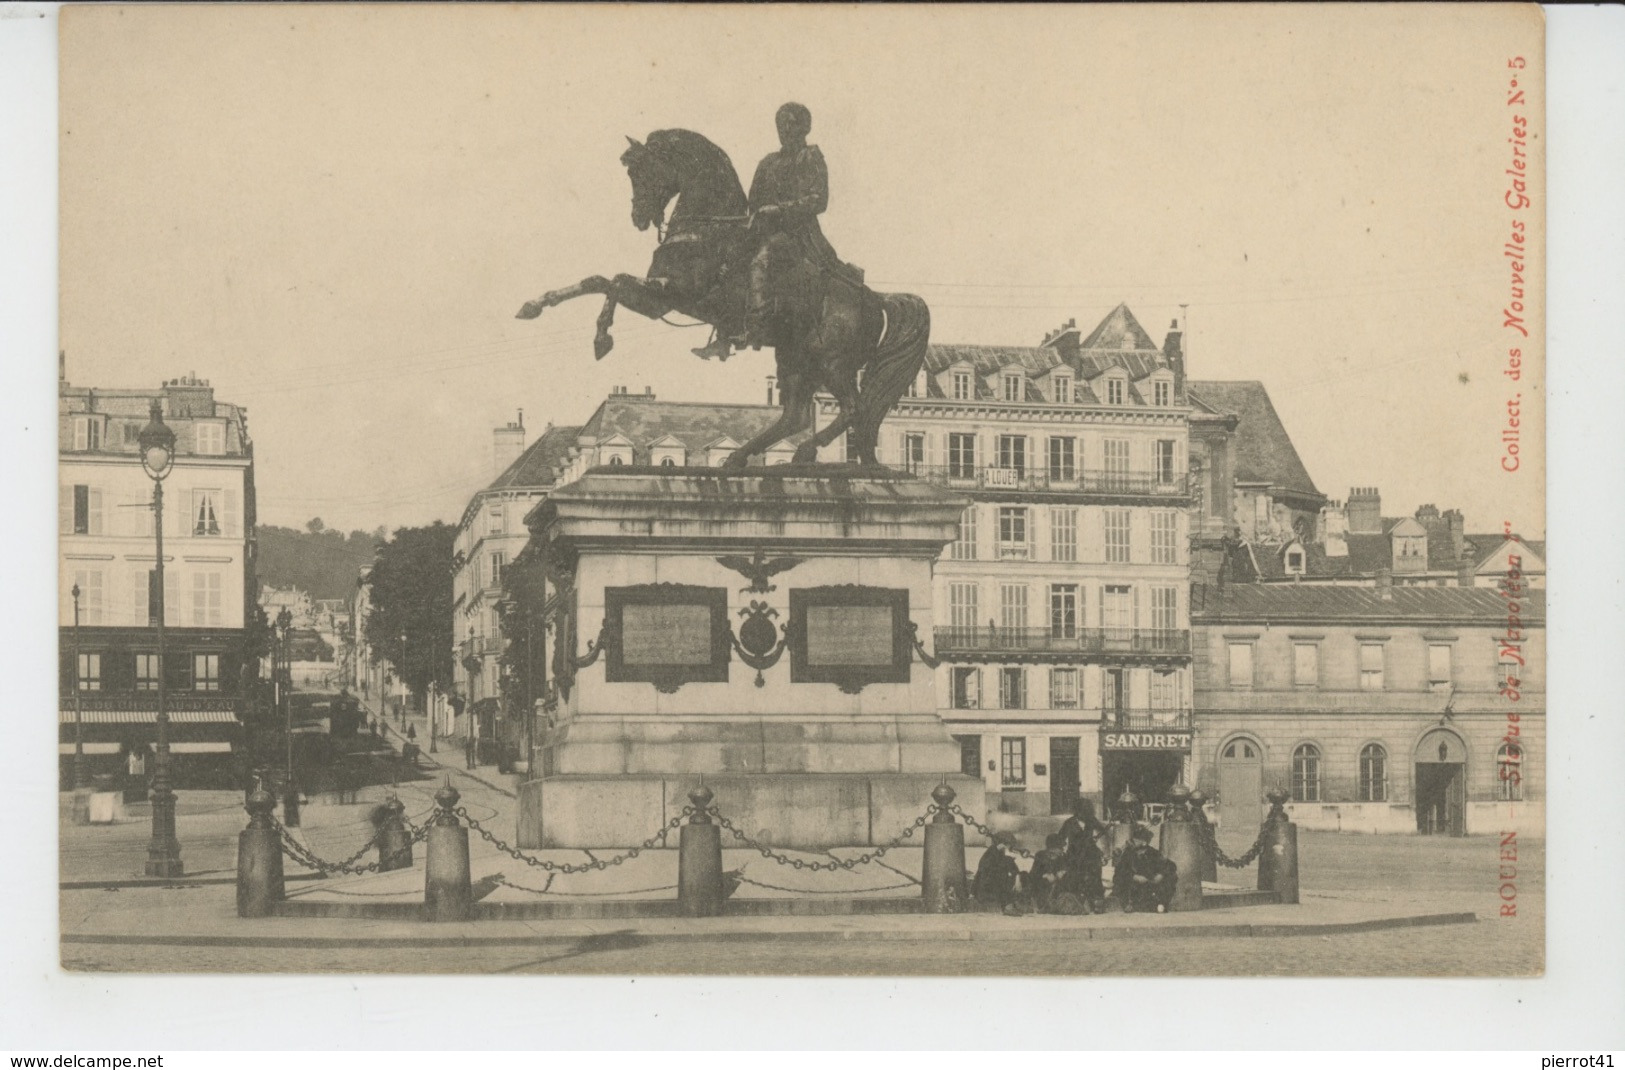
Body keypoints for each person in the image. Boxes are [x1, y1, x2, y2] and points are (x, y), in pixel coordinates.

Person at [727, 102, 855, 354]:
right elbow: (753, 200)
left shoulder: (811, 157)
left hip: (798, 234)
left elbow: (819, 200)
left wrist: (779, 210)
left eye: (790, 123)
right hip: (765, 230)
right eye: (780, 124)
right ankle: (724, 330)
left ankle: (755, 325)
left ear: (804, 127)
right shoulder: (767, 162)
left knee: (761, 261)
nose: (784, 129)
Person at [1059, 797, 1110, 914]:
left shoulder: (1091, 821)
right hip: (1074, 855)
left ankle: (1096, 901)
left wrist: (1100, 845)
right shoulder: (1069, 823)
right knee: (1075, 876)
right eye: (1082, 811)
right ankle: (1077, 901)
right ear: (1077, 811)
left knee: (1094, 877)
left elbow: (1103, 833)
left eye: (1086, 812)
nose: (1084, 814)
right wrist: (1062, 850)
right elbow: (1060, 838)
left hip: (1090, 854)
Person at [1113, 824, 1179, 914]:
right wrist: (1134, 877)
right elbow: (1119, 871)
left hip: (1149, 886)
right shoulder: (1128, 853)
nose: (1132, 841)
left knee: (1172, 876)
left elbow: (1170, 865)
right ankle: (1127, 904)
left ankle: (1161, 903)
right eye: (1133, 839)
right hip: (1134, 887)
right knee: (1120, 880)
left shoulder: (1153, 853)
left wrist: (1160, 875)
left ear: (1144, 843)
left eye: (1136, 840)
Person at [971, 832, 1024, 915]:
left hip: (994, 887)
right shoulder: (990, 854)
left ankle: (1013, 904)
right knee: (1002, 876)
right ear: (1002, 845)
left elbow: (1014, 869)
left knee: (1023, 874)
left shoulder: (1003, 855)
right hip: (986, 889)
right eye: (1009, 845)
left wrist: (1018, 879)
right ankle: (1008, 907)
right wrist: (1008, 859)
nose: (1011, 848)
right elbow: (987, 870)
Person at [1027, 833, 1072, 914]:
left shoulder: (1063, 857)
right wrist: (1044, 876)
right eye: (1060, 847)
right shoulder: (1040, 856)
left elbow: (1068, 870)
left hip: (1058, 888)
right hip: (1043, 888)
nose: (1062, 850)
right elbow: (1033, 875)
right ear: (1051, 848)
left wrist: (1062, 873)